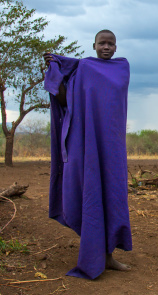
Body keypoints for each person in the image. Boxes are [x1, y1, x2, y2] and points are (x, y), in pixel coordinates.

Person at [43, 29, 132, 279]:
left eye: (110, 44)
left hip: (113, 146)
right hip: (88, 143)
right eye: (101, 43)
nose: (106, 47)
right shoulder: (83, 69)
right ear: (93, 46)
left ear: (116, 47)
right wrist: (55, 69)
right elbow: (65, 100)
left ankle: (109, 256)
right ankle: (94, 256)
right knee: (92, 193)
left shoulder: (122, 69)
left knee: (113, 197)